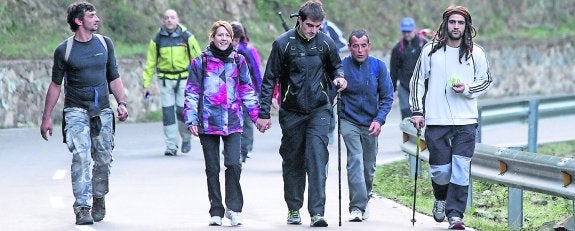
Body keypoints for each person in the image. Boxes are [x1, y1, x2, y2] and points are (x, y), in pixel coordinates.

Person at [256, 1, 347, 227]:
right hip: (292, 111)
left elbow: (336, 66)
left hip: (319, 110)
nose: (313, 30)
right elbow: (269, 80)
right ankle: (293, 209)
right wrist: (264, 112)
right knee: (293, 160)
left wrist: (339, 77)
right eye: (309, 25)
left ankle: (317, 212)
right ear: (300, 20)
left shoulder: (326, 42)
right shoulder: (283, 44)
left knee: (317, 158)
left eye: (317, 26)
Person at [40, 1, 129, 225]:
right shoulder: (64, 50)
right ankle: (82, 206)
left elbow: (114, 77)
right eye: (91, 16)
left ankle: (99, 197)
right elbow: (55, 85)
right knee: (80, 156)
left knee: (103, 158)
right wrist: (46, 117)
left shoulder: (105, 44)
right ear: (79, 21)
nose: (97, 19)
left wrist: (122, 102)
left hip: (102, 111)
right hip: (75, 110)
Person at [409, 5, 492, 230]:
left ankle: (455, 215)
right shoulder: (430, 50)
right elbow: (417, 80)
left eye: (461, 23)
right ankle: (441, 197)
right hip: (436, 119)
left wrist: (467, 88)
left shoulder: (477, 53)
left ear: (467, 27)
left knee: (461, 167)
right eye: (452, 22)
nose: (456, 26)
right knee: (441, 169)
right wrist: (417, 111)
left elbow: (485, 81)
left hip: (466, 121)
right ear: (445, 24)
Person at [183, 20, 259, 227]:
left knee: (234, 164)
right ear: (213, 37)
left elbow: (246, 89)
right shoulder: (200, 62)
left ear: (232, 38)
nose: (224, 38)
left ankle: (234, 209)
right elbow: (191, 91)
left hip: (233, 121)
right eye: (220, 35)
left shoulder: (239, 60)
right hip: (208, 121)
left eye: (227, 35)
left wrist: (256, 116)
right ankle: (216, 210)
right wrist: (191, 119)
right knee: (212, 168)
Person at [340, 29, 394, 222]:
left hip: (371, 123)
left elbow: (387, 97)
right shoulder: (342, 66)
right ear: (349, 48)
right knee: (355, 160)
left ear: (369, 46)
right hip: (348, 120)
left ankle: (365, 197)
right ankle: (356, 207)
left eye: (364, 46)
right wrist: (337, 85)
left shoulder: (379, 67)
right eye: (355, 46)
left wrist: (379, 120)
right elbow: (330, 92)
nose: (360, 50)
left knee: (368, 167)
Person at [142, 9, 201, 156]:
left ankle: (186, 138)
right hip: (165, 80)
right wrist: (146, 84)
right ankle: (171, 146)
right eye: (166, 18)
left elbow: (198, 59)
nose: (169, 20)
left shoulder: (187, 37)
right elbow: (150, 63)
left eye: (172, 17)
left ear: (177, 19)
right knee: (168, 113)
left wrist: (201, 80)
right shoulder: (157, 39)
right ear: (163, 20)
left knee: (182, 110)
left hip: (183, 80)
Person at [231, 21, 263, 163]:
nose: (232, 42)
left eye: (235, 39)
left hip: (247, 92)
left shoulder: (248, 50)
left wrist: (262, 93)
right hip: (228, 94)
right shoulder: (220, 51)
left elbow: (256, 72)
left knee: (247, 122)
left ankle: (244, 150)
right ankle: (232, 150)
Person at [390, 17, 428, 119]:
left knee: (424, 116)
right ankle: (408, 135)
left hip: (423, 87)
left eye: (409, 31)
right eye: (404, 31)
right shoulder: (397, 48)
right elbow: (393, 70)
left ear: (414, 29)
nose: (406, 34)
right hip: (405, 88)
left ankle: (423, 135)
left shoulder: (425, 45)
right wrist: (393, 90)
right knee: (407, 119)